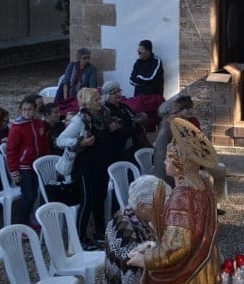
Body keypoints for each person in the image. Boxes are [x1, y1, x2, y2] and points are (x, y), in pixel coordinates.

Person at [127, 117, 221, 282]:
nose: (164, 162)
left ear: (179, 165)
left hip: (188, 274)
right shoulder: (204, 184)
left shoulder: (182, 196)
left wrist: (145, 260)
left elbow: (177, 246)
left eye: (168, 159)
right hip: (206, 265)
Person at [57, 86, 121, 249]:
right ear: (86, 103)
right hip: (86, 165)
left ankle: (100, 233)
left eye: (99, 98)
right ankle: (80, 237)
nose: (100, 101)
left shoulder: (104, 115)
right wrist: (80, 142)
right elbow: (61, 140)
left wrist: (114, 127)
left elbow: (108, 130)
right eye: (95, 100)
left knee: (100, 199)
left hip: (102, 162)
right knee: (88, 201)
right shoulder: (80, 120)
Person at [105, 174, 169, 284]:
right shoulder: (125, 231)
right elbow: (131, 279)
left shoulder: (137, 217)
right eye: (161, 204)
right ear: (142, 207)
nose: (165, 209)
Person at [5, 95, 49, 229]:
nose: (27, 112)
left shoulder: (39, 124)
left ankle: (28, 222)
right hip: (24, 166)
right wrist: (14, 170)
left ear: (35, 110)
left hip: (37, 165)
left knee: (34, 194)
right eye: (24, 110)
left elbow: (44, 144)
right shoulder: (17, 128)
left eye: (30, 109)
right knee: (28, 195)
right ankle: (21, 224)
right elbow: (11, 150)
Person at [102, 81, 150, 163]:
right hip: (120, 147)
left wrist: (141, 117)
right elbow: (118, 131)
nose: (118, 94)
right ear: (107, 96)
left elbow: (133, 118)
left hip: (134, 142)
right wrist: (138, 128)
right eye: (114, 93)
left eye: (119, 91)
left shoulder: (123, 106)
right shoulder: (107, 110)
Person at [126, 40, 164, 132]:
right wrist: (142, 81)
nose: (138, 54)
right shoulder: (138, 62)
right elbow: (131, 80)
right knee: (140, 122)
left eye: (140, 52)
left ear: (147, 51)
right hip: (140, 98)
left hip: (153, 97)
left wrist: (139, 77)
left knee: (153, 122)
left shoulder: (156, 61)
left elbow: (151, 77)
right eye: (138, 52)